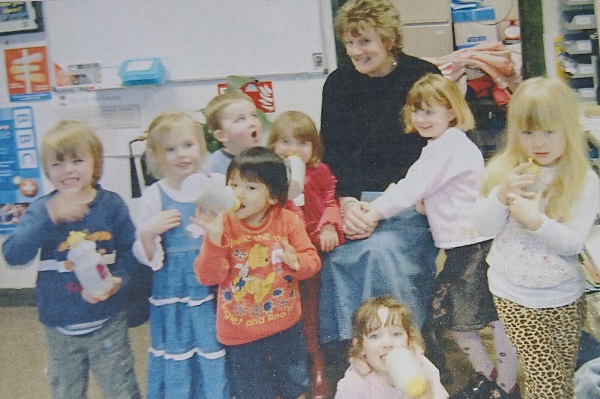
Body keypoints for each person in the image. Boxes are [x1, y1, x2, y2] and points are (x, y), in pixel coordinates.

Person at [362, 74, 520, 398]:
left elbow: (410, 187)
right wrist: (426, 202)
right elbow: (430, 188)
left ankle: (502, 385)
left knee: (478, 318)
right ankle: (492, 379)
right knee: (474, 317)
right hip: (467, 243)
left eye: (430, 111)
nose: (421, 119)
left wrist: (373, 211)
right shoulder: (446, 145)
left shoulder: (445, 148)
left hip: (474, 245)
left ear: (451, 111)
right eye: (416, 111)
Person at [318, 0, 442, 384]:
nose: (357, 52)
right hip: (354, 202)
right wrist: (347, 202)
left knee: (380, 252)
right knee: (333, 259)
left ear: (389, 40)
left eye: (365, 41)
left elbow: (439, 151)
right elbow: (333, 155)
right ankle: (357, 353)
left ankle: (405, 349)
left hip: (409, 202)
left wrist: (384, 208)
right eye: (350, 44)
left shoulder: (422, 77)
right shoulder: (338, 84)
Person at [472, 77, 600, 399]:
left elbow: (572, 243)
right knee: (548, 384)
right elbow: (482, 227)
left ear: (569, 129)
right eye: (527, 132)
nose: (538, 142)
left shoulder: (583, 179)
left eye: (548, 131)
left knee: (561, 375)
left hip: (565, 296)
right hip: (514, 294)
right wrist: (501, 195)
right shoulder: (507, 171)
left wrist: (535, 222)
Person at [1, 120, 141, 399]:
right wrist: (49, 217)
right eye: (57, 164)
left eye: (77, 160)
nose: (68, 170)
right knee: (66, 391)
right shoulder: (43, 209)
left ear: (95, 162)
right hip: (59, 325)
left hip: (107, 321)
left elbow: (132, 252)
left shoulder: (111, 205)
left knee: (121, 390)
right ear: (48, 170)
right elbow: (13, 255)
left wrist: (119, 281)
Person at [193, 147, 322, 399]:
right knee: (252, 391)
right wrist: (214, 238)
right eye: (233, 185)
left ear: (273, 196)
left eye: (251, 188)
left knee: (295, 386)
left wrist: (295, 262)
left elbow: (312, 262)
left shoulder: (287, 220)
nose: (238, 194)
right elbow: (208, 277)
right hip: (241, 334)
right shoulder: (224, 223)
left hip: (285, 325)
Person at [131, 112, 229, 399]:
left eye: (187, 145)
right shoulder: (154, 194)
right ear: (156, 156)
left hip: (214, 285)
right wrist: (149, 233)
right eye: (170, 149)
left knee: (215, 347)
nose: (181, 155)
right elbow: (145, 256)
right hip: (174, 290)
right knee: (179, 347)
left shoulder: (216, 182)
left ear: (200, 145)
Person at [267, 110, 345, 398]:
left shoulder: (320, 171)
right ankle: (283, 370)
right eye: (285, 142)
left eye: (302, 143)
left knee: (311, 312)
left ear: (313, 147)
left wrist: (328, 224)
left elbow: (330, 200)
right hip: (282, 255)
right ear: (273, 146)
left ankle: (316, 364)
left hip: (311, 252)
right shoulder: (271, 176)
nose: (294, 150)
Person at [335, 296, 449, 399]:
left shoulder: (423, 368)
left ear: (409, 341)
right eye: (375, 336)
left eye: (396, 334)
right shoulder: (354, 383)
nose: (387, 343)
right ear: (360, 348)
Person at [202, 91, 264, 175]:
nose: (252, 123)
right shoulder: (212, 165)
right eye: (241, 119)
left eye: (254, 115)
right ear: (222, 135)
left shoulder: (267, 157)